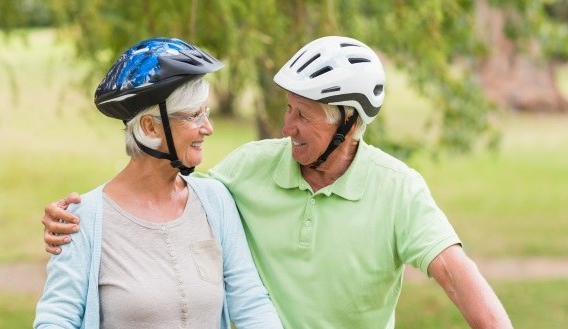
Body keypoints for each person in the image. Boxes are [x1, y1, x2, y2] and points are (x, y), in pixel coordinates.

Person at [41, 36, 513, 328]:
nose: (286, 126)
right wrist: (70, 219)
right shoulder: (245, 172)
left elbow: (456, 276)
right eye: (288, 108)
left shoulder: (398, 189)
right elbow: (160, 192)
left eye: (304, 116)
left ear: (346, 125)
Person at [34, 37, 283, 329]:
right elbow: (56, 319)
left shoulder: (215, 201)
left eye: (207, 113)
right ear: (150, 127)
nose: (208, 128)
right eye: (194, 116)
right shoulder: (84, 219)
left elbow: (251, 304)